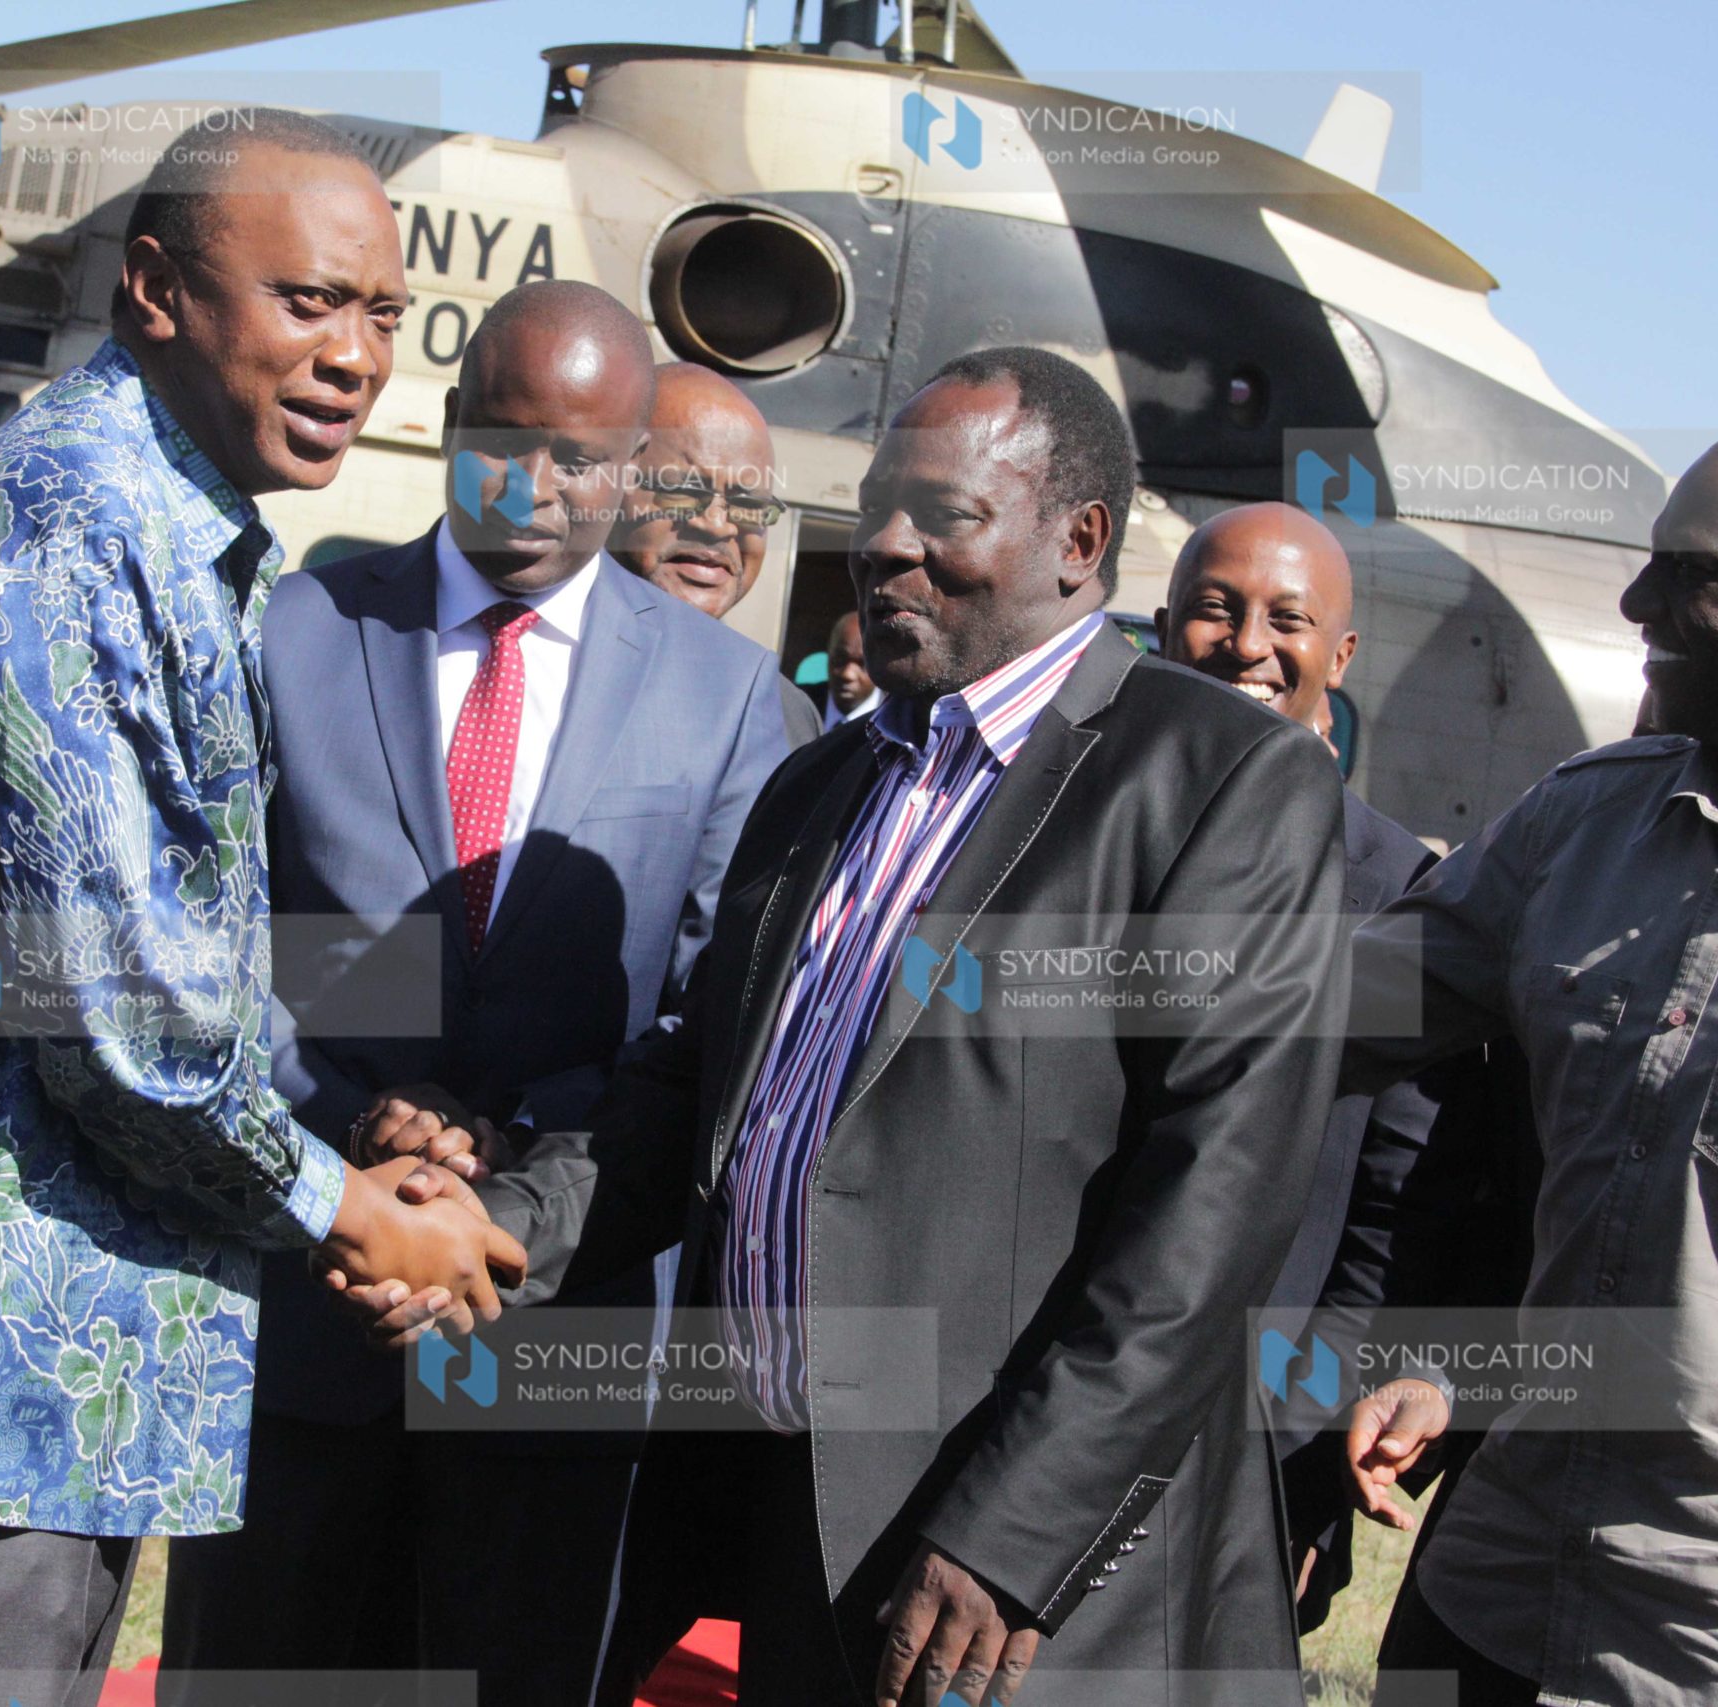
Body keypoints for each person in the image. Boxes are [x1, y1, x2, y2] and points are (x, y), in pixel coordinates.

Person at [0, 113, 523, 1707]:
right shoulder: (81, 525)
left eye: (383, 315)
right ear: (155, 289)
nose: (354, 356)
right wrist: (354, 1204)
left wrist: (353, 1138)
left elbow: (179, 951)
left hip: (52, 1337)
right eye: (305, 302)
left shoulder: (179, 525)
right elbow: (117, 1012)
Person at [352, 347, 1349, 1705]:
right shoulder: (817, 782)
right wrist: (492, 1226)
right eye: (880, 502)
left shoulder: (1225, 783)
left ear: (1080, 540)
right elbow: (683, 1096)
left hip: (1037, 1606)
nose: (880, 543)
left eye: (940, 513)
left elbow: (1205, 1224)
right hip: (794, 1536)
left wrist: (1009, 1536)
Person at [159, 283, 799, 1705]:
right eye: (498, 441)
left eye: (578, 457)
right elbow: (219, 939)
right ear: (446, 428)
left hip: (548, 1339)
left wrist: (500, 1154)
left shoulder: (727, 699)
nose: (533, 486)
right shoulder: (300, 625)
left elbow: (706, 1018)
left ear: (634, 467)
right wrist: (359, 1125)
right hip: (304, 1310)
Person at [1343, 413, 1718, 1707]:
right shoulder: (1584, 815)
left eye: (1692, 571)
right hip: (1494, 1599)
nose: (1636, 599)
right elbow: (1327, 1011)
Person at [1151, 502, 1474, 1630]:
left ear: (1339, 657)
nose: (1246, 643)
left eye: (1285, 619)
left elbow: (1390, 1222)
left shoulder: (1397, 901)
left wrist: (1291, 1476)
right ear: (1157, 627)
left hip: (1246, 1458)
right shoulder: (1065, 843)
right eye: (1212, 608)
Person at [609, 361, 819, 744]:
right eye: (683, 490)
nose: (718, 525)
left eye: (748, 503)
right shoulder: (517, 663)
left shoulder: (787, 719)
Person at [822, 605, 882, 729]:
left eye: (862, 664)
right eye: (840, 659)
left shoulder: (895, 723)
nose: (847, 674)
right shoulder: (796, 707)